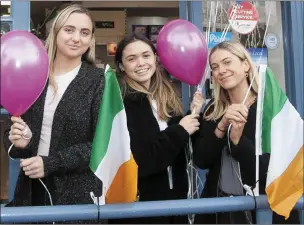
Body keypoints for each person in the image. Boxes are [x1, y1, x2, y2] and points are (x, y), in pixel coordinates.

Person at [4, 4, 105, 223]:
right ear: (55, 33)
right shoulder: (33, 73)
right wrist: (19, 143)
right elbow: (12, 130)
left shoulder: (100, 81)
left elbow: (102, 143)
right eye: (69, 30)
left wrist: (51, 163)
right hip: (31, 192)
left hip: (78, 197)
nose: (76, 38)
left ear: (91, 40)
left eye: (84, 32)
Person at [193, 41, 299, 224]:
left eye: (227, 62)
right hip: (220, 209)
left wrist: (238, 141)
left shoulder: (269, 107)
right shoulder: (213, 109)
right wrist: (222, 125)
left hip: (265, 210)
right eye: (215, 67)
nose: (221, 70)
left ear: (245, 65)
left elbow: (276, 169)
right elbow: (201, 161)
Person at [109, 33, 204, 224]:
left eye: (146, 55)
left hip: (174, 203)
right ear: (121, 66)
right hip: (140, 208)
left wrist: (192, 117)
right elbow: (142, 162)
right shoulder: (121, 104)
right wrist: (180, 130)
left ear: (155, 58)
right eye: (131, 58)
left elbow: (177, 148)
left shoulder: (167, 98)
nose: (141, 63)